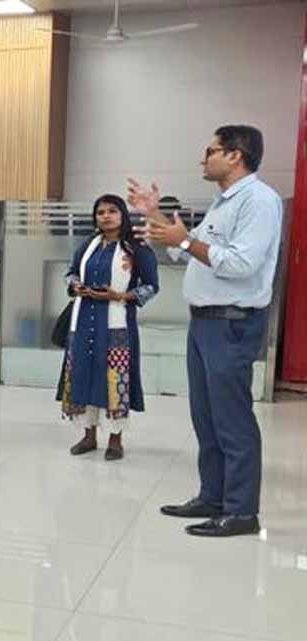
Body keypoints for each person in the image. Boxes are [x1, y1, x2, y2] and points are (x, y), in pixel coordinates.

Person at [129, 124, 283, 538]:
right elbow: (187, 251)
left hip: (232, 323)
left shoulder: (259, 201)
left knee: (232, 419)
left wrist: (184, 242)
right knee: (206, 417)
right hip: (204, 324)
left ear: (235, 155)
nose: (204, 157)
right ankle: (213, 497)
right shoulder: (224, 202)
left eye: (211, 150)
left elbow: (240, 264)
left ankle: (241, 511)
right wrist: (154, 216)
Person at [57, 195, 159, 461]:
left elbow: (151, 286)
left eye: (112, 211)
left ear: (123, 214)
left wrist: (119, 296)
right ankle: (88, 436)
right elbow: (70, 273)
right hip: (82, 322)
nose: (106, 216)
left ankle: (115, 440)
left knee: (114, 379)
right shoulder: (87, 245)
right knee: (84, 375)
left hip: (116, 325)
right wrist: (76, 285)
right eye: (100, 212)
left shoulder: (136, 248)